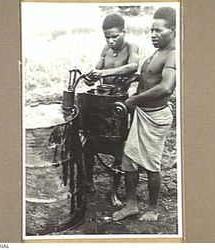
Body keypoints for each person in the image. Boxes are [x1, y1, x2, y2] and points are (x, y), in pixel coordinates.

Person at [112, 7, 177, 221]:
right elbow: (149, 77)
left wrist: (132, 101)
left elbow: (166, 87)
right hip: (142, 113)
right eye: (151, 30)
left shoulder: (173, 54)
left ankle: (153, 209)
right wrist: (133, 80)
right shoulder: (158, 52)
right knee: (129, 159)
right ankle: (131, 205)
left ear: (173, 30)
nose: (153, 35)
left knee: (150, 163)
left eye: (159, 30)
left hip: (155, 117)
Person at [83, 13, 139, 206]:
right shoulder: (106, 48)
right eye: (107, 37)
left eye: (115, 36)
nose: (111, 40)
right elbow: (97, 68)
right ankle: (88, 181)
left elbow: (132, 66)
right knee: (89, 142)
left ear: (124, 31)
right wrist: (90, 75)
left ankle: (114, 190)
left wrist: (104, 73)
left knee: (117, 147)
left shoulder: (132, 47)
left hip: (118, 105)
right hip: (101, 103)